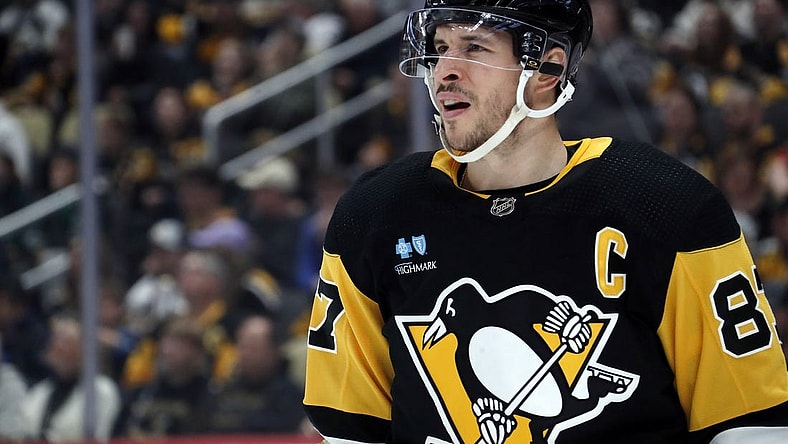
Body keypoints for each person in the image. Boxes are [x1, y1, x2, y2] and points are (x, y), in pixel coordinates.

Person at [302, 1, 788, 443]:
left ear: (547, 67)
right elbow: (353, 432)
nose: (444, 71)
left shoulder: (665, 207)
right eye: (440, 48)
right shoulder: (375, 217)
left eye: (474, 47)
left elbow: (749, 425)